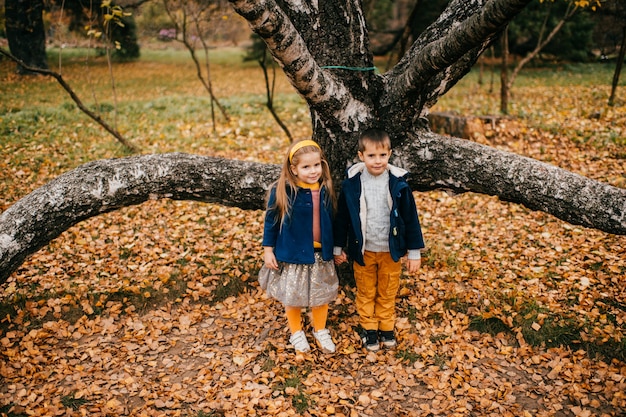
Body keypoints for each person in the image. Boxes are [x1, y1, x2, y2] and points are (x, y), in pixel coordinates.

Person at [334, 128, 425, 352]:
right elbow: (342, 218)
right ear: (361, 156)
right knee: (365, 291)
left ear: (390, 154)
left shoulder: (398, 184)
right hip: (363, 251)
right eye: (372, 156)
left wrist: (414, 251)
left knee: (387, 290)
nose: (377, 161)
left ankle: (386, 327)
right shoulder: (352, 185)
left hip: (390, 250)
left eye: (382, 156)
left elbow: (410, 218)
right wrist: (337, 247)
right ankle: (369, 329)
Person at [259, 139, 338, 354]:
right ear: (294, 169)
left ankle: (320, 329)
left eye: (316, 165)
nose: (313, 171)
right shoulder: (284, 191)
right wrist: (268, 250)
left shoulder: (325, 189)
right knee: (293, 296)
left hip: (320, 254)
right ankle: (296, 332)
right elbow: (271, 221)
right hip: (294, 253)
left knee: (320, 296)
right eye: (306, 167)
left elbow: (333, 221)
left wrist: (337, 248)